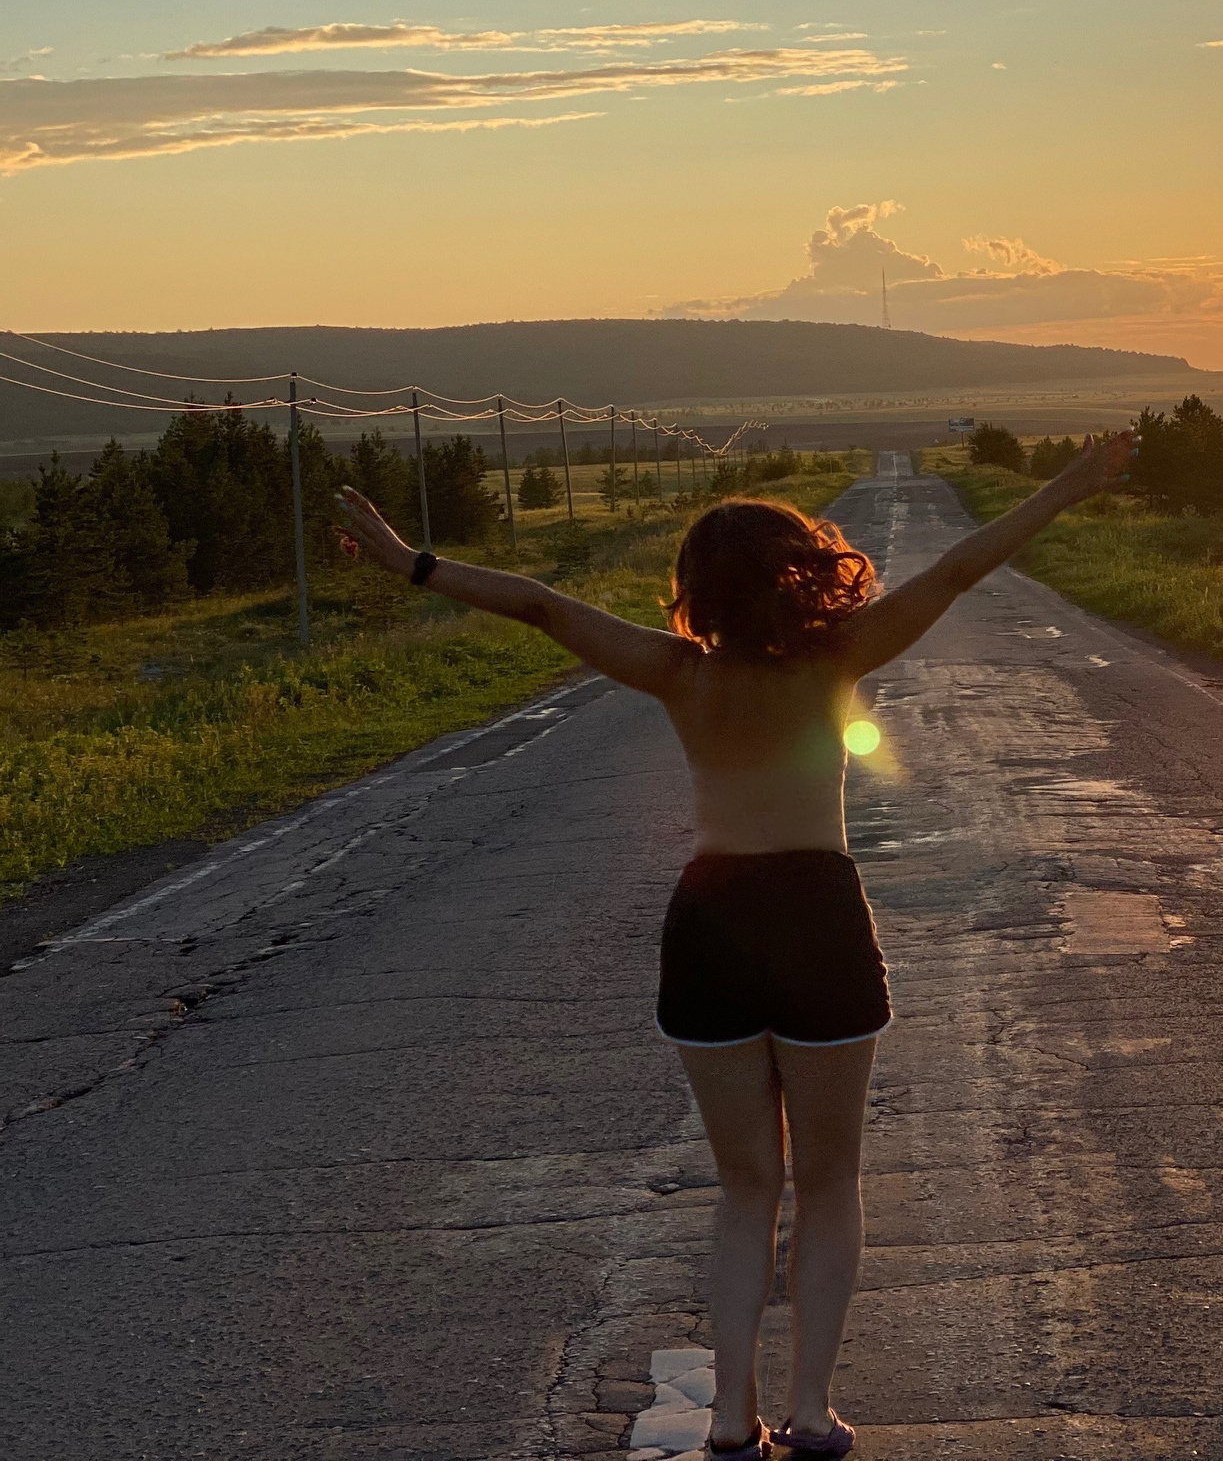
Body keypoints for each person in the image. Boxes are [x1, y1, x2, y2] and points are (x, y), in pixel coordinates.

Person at [334, 434, 1133, 1458]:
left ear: (698, 590)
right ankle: (811, 1411)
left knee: (746, 1187)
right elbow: (957, 569)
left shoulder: (677, 673)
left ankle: (726, 1415)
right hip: (816, 916)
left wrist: (413, 563)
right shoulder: (835, 658)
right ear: (797, 574)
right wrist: (1069, 484)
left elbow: (538, 604)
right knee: (829, 1182)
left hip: (710, 922)